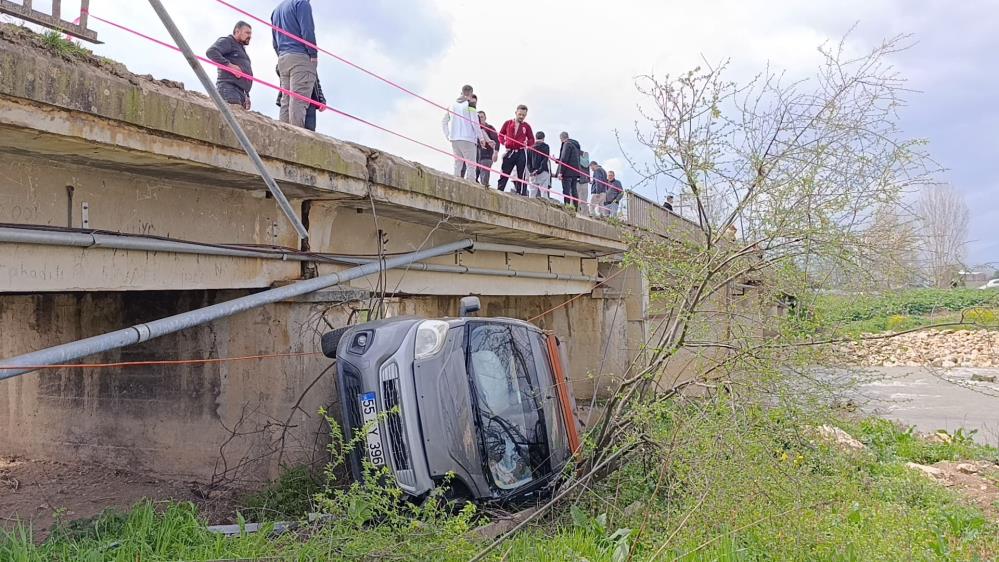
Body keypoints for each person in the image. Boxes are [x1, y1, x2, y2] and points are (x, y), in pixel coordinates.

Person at [272, 0, 318, 128]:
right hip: (300, 57)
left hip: (283, 58)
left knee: (286, 101)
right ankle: (296, 136)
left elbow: (275, 42)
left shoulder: (277, 10)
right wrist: (313, 54)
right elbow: (307, 30)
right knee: (298, 102)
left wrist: (282, 55)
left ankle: (283, 134)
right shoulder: (301, 3)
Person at [206, 21, 254, 110]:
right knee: (231, 116)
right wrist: (230, 66)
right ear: (237, 31)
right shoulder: (228, 41)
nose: (250, 36)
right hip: (229, 89)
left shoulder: (240, 48)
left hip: (239, 93)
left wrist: (246, 95)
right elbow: (211, 52)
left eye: (250, 34)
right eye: (247, 33)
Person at [443, 86, 484, 182]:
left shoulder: (451, 105)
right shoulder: (471, 104)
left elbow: (444, 122)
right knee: (471, 166)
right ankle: (471, 186)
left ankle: (455, 183)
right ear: (471, 93)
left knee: (457, 165)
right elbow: (475, 122)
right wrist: (481, 138)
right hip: (468, 139)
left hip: (454, 139)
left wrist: (447, 135)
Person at [497, 105, 534, 195]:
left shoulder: (526, 126)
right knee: (505, 172)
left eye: (523, 115)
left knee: (521, 173)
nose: (521, 116)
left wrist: (527, 143)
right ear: (516, 113)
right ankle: (499, 190)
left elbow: (532, 139)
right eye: (520, 114)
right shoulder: (508, 123)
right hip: (510, 151)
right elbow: (500, 134)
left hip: (521, 151)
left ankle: (520, 193)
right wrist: (504, 142)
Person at [556, 132, 581, 209]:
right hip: (575, 171)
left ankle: (567, 207)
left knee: (566, 190)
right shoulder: (575, 145)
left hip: (567, 172)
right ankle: (575, 208)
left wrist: (561, 172)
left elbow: (564, 158)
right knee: (574, 190)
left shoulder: (566, 144)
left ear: (561, 138)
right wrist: (558, 160)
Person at [476, 110, 499, 187]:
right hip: (476, 156)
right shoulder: (475, 127)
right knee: (473, 177)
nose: (480, 119)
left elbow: (497, 141)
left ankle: (485, 189)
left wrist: (495, 153)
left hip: (487, 156)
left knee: (484, 180)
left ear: (485, 118)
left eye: (481, 117)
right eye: (478, 117)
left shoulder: (490, 128)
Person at [527, 132, 551, 198]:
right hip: (543, 172)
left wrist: (531, 171)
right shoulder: (546, 147)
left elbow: (528, 162)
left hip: (532, 173)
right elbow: (545, 160)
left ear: (535, 137)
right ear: (543, 138)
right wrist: (538, 171)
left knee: (532, 193)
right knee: (544, 193)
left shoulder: (530, 148)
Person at [577, 150, 591, 215]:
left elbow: (585, 164)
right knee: (575, 198)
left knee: (583, 199)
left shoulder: (584, 153)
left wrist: (589, 179)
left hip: (584, 180)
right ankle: (575, 212)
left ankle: (584, 214)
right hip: (576, 179)